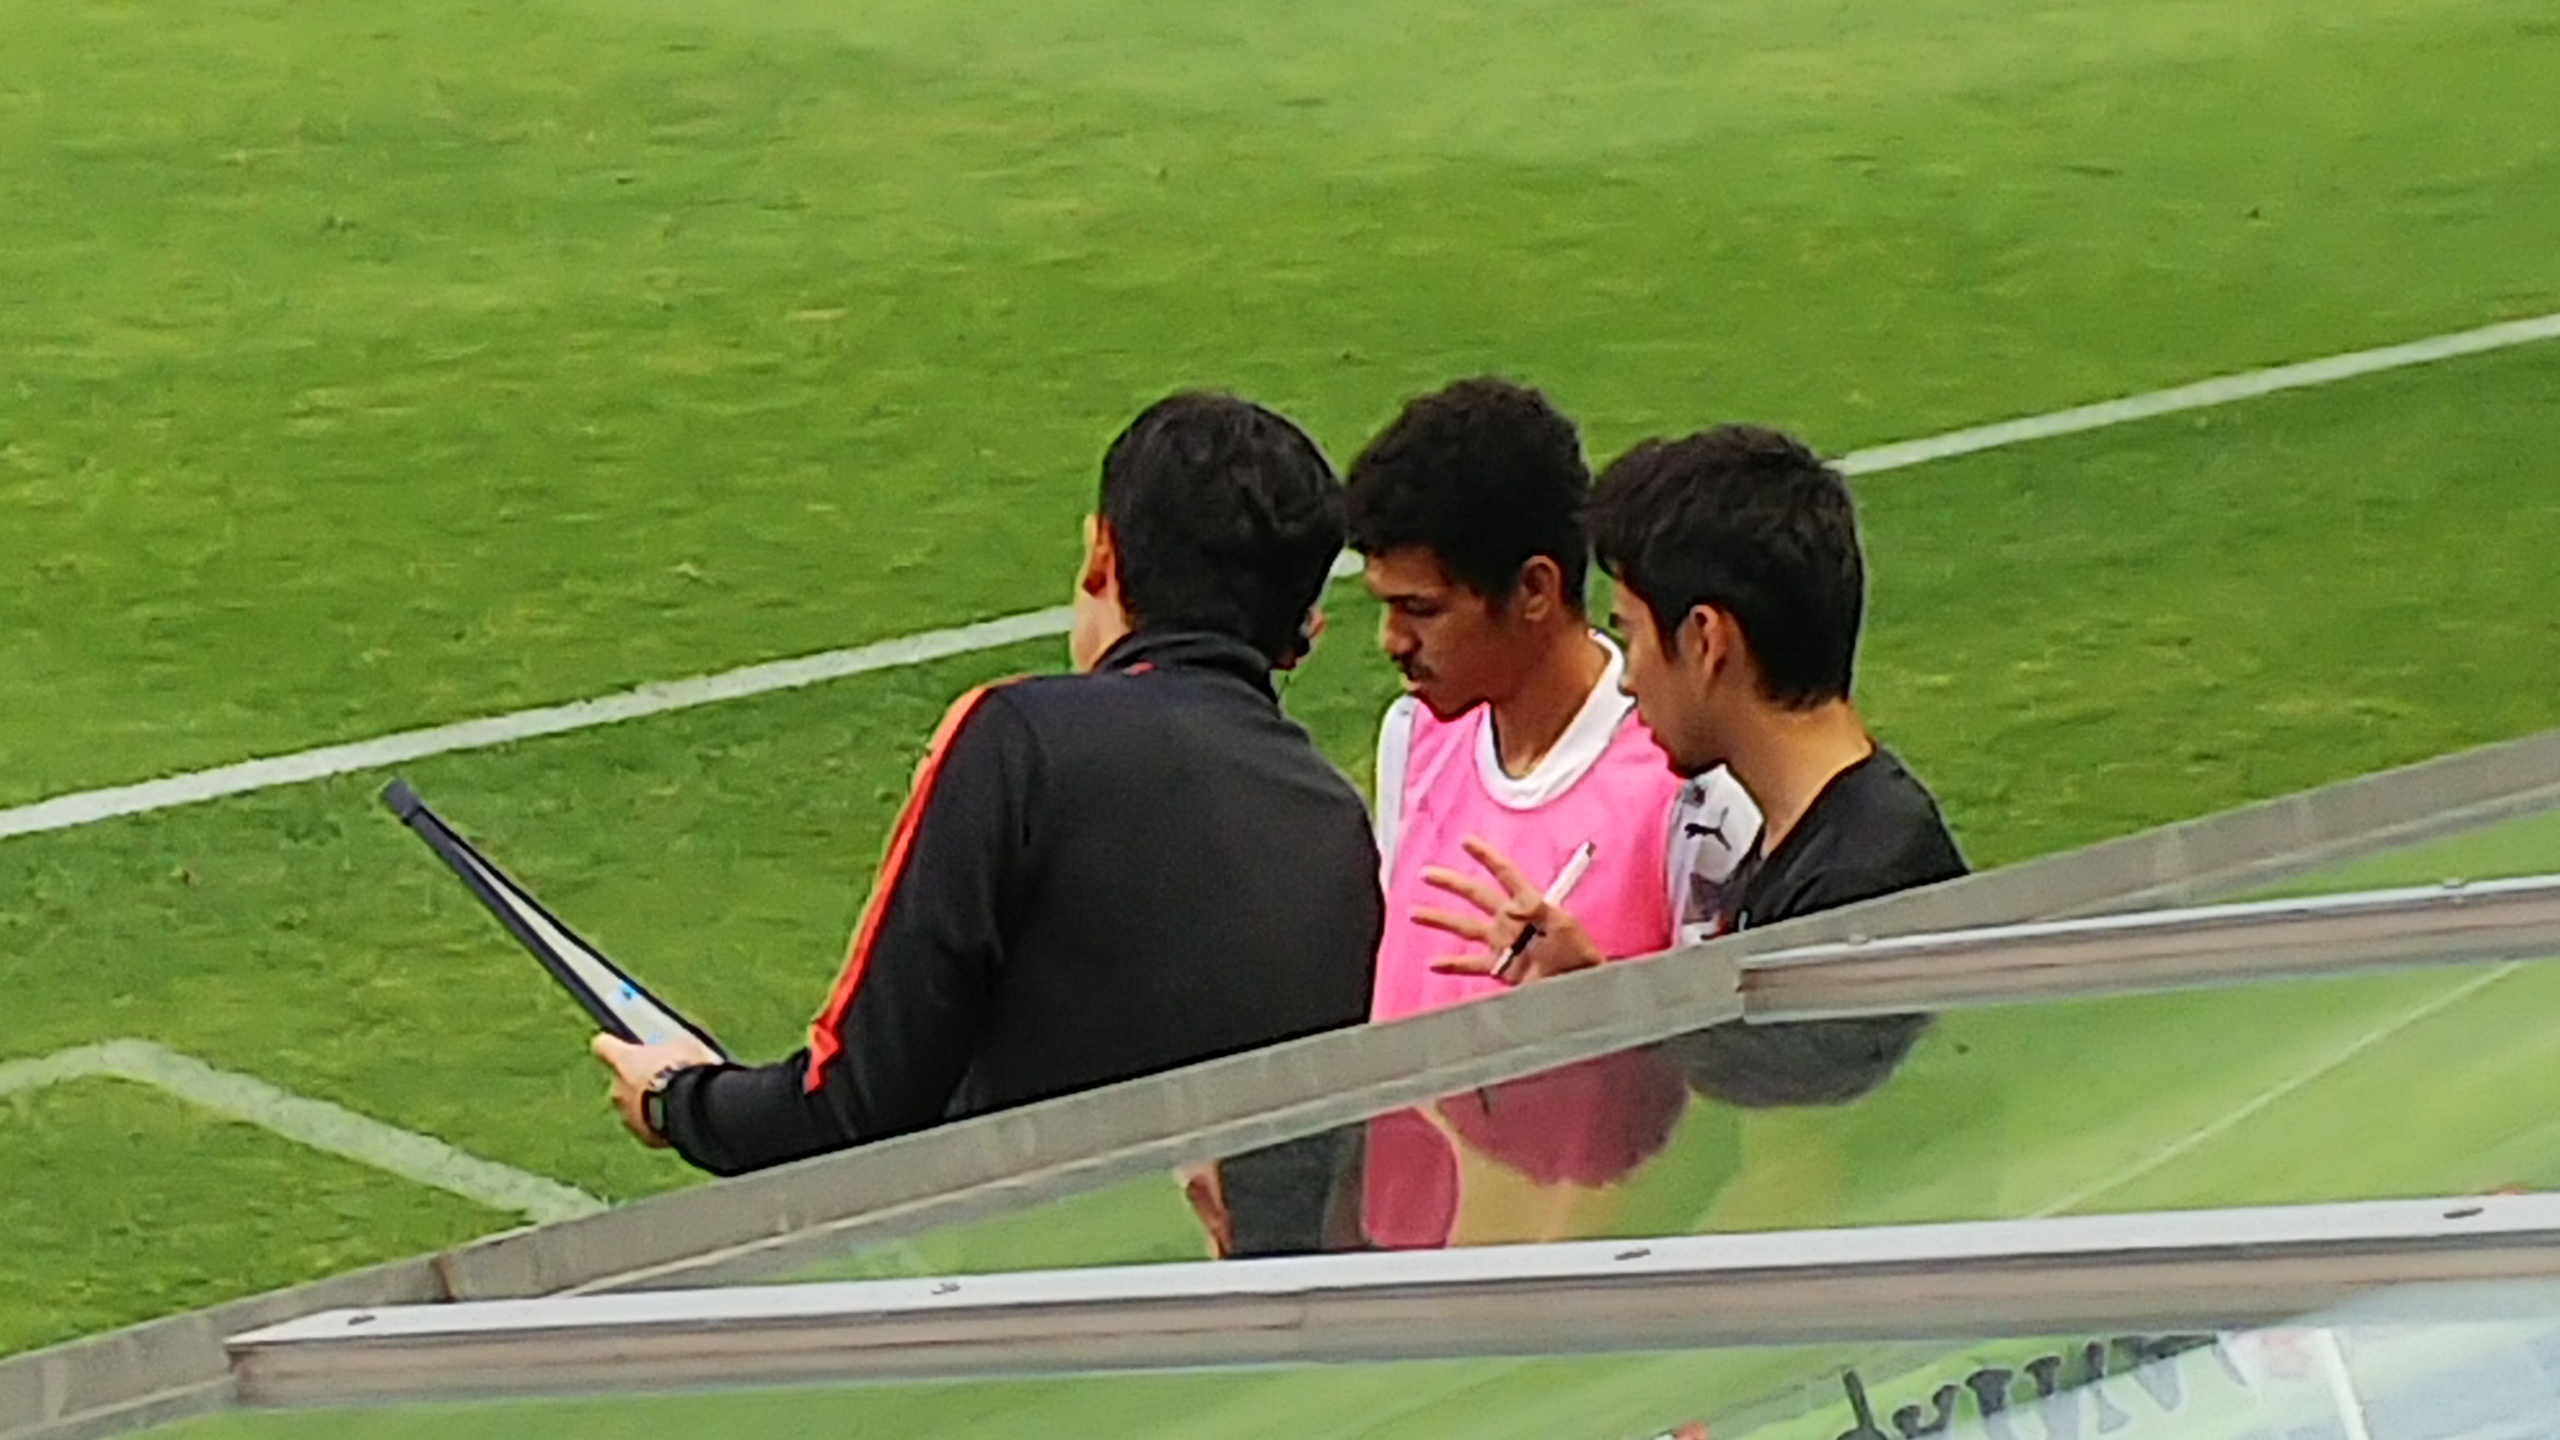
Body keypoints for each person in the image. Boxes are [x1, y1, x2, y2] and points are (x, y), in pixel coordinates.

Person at [591, 393, 1386, 1201]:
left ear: (1101, 555)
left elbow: (855, 1109)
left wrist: (678, 1099)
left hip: (1034, 1266)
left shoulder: (1020, 741)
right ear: (1302, 632)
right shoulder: (1335, 820)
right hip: (1240, 1275)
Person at [1431, 422, 1967, 1106]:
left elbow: (1803, 1140)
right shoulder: (1813, 844)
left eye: (1630, 633)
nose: (1627, 680)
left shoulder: (1860, 894)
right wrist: (1599, 994)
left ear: (1706, 641)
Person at [1339, 378, 1760, 1247]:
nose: (1392, 643)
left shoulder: (1691, 793)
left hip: (1577, 1283)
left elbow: (1739, 1121)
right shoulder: (1414, 738)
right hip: (1407, 1274)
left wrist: (1606, 1004)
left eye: (1421, 610)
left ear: (1535, 588)